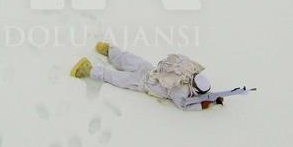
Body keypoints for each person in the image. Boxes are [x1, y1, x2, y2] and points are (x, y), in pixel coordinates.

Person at [70, 43, 255, 110]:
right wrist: (208, 103)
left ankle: (102, 58)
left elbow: (185, 103)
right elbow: (184, 106)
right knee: (122, 70)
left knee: (125, 66)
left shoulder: (188, 72)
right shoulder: (181, 90)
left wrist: (210, 101)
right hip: (148, 79)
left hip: (147, 76)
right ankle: (98, 61)